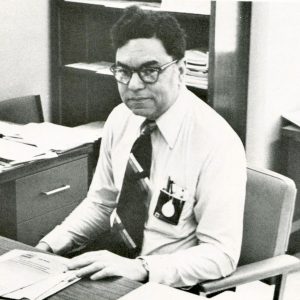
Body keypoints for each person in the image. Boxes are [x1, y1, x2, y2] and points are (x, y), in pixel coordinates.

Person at [36, 5, 246, 289]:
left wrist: (142, 268)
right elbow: (101, 203)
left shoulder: (217, 142)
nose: (133, 85)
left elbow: (221, 255)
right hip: (112, 274)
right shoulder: (121, 119)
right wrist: (50, 245)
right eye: (123, 71)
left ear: (181, 70)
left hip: (168, 285)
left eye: (149, 71)